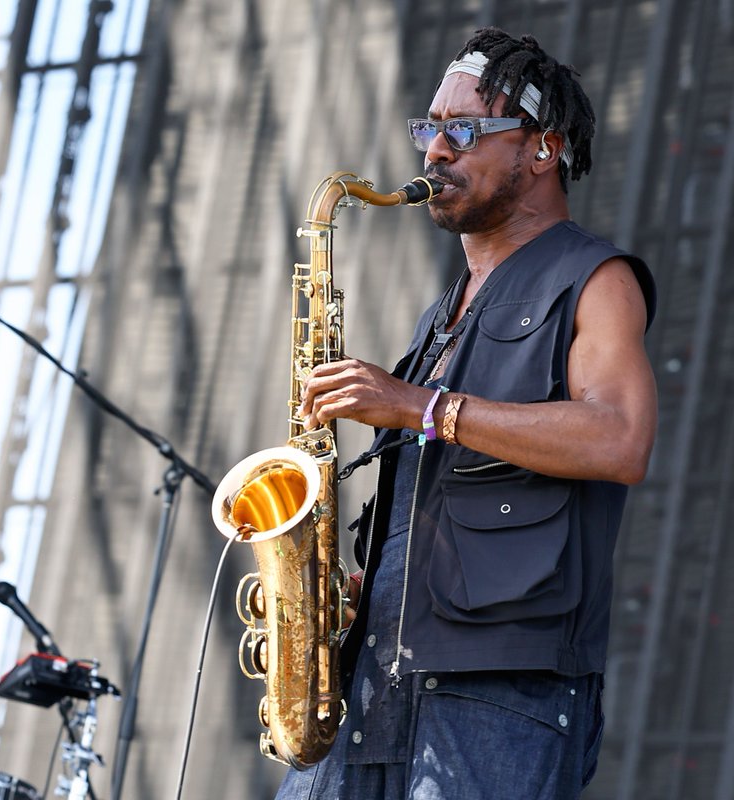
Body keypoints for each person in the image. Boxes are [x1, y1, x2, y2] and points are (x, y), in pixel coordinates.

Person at [275, 27, 657, 800]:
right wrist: (362, 580)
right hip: (370, 675)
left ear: (542, 150)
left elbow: (619, 438)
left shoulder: (596, 277)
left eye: (465, 130)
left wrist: (421, 404)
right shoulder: (438, 316)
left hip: (496, 691)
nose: (435, 151)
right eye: (428, 129)